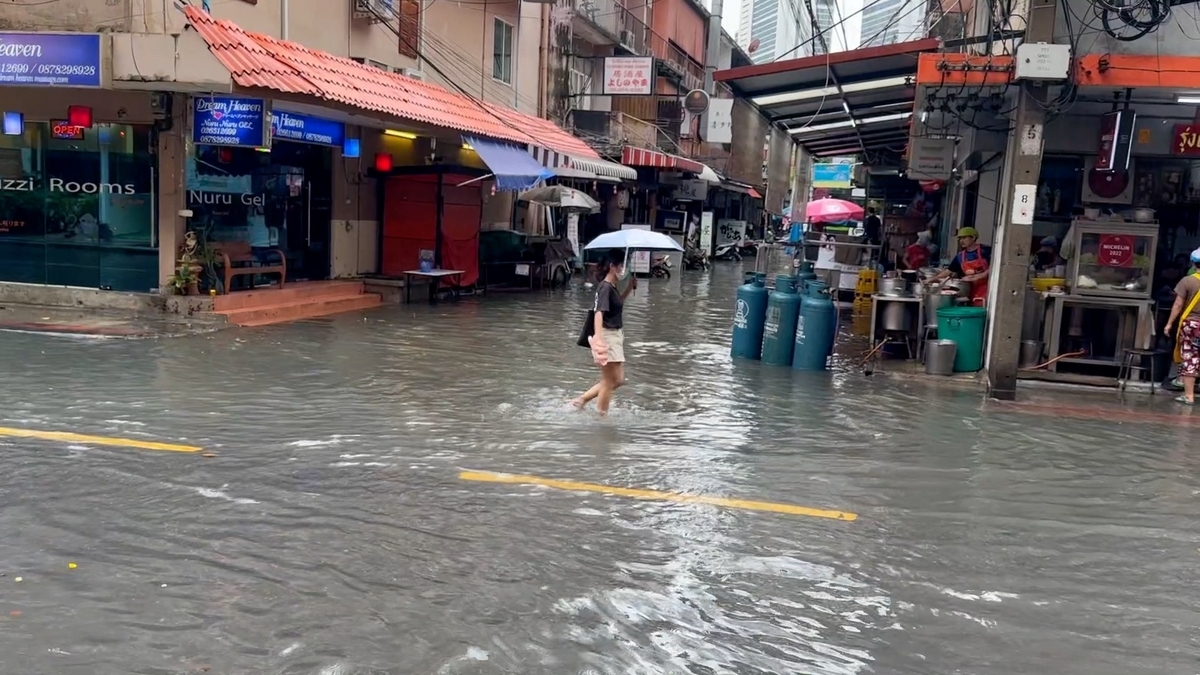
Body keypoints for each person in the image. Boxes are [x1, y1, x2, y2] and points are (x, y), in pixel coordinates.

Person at [573, 250, 637, 416]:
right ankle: (602, 416)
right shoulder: (605, 287)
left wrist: (629, 288)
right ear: (612, 266)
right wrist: (599, 339)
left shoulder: (611, 287)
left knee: (617, 380)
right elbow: (599, 312)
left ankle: (582, 400)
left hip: (614, 335)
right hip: (607, 335)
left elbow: (616, 306)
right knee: (610, 381)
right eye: (622, 265)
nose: (624, 269)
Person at [1164, 248, 1200, 405]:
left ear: (1193, 263)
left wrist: (1169, 324)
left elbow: (1178, 304)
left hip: (1191, 324)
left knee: (1190, 358)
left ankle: (1189, 396)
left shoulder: (1187, 281)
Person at [927, 227, 991, 305]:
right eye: (960, 238)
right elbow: (949, 271)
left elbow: (995, 267)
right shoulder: (960, 256)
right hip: (969, 290)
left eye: (964, 238)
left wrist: (979, 276)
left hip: (987, 289)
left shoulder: (986, 250)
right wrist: (934, 278)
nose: (961, 241)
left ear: (973, 238)